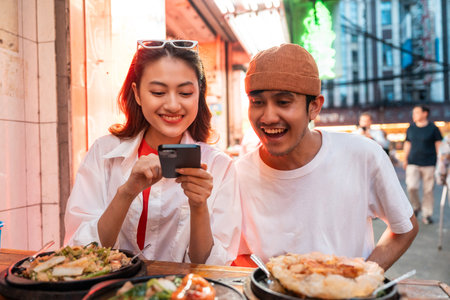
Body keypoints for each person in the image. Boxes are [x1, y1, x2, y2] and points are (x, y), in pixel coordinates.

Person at [234, 44, 418, 271]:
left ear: (314, 107)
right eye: (257, 102)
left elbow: (404, 227)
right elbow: (239, 254)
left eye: (283, 102)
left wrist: (360, 280)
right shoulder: (238, 174)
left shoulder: (363, 155)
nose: (268, 117)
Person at [64, 40, 241, 265]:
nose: (173, 105)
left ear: (200, 93)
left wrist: (198, 207)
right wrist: (127, 192)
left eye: (185, 93)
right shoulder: (104, 153)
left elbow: (213, 267)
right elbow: (79, 253)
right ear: (137, 94)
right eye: (158, 92)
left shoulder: (219, 166)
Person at [403, 105, 442, 224]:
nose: (414, 115)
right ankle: (416, 207)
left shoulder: (433, 128)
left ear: (425, 114)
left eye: (416, 112)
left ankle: (427, 214)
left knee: (428, 190)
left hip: (429, 163)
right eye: (413, 113)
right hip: (413, 162)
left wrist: (440, 162)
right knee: (411, 187)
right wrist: (405, 159)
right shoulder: (411, 128)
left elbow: (438, 146)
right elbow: (407, 143)